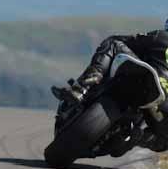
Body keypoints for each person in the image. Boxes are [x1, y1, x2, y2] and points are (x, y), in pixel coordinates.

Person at [52, 23, 168, 152]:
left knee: (113, 43)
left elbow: (124, 41)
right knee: (162, 140)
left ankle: (82, 87)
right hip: (161, 103)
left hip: (149, 81)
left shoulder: (161, 36)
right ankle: (139, 138)